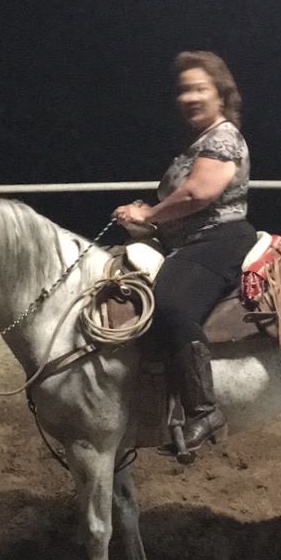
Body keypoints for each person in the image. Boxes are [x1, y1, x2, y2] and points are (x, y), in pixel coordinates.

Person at [112, 50, 256, 455]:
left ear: (221, 95)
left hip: (218, 239)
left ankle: (204, 410)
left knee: (170, 304)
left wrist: (148, 214)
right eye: (184, 90)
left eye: (200, 89)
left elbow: (197, 194)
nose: (190, 97)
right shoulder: (199, 141)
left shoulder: (223, 138)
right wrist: (149, 217)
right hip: (191, 240)